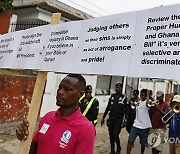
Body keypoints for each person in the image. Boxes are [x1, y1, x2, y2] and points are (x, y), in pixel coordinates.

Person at [16, 74, 95, 154]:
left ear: (80, 94)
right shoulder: (48, 117)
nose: (60, 92)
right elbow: (33, 148)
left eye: (67, 89)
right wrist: (25, 137)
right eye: (60, 88)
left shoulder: (86, 129)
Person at [101, 82, 128, 154]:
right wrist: (103, 117)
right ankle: (112, 150)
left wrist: (125, 120)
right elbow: (108, 107)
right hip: (111, 119)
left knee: (115, 135)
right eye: (116, 87)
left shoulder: (124, 98)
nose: (117, 89)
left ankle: (118, 148)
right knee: (111, 135)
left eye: (118, 87)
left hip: (118, 120)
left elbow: (127, 110)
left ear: (121, 88)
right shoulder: (112, 97)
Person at [126, 89, 152, 154]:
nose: (141, 96)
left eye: (143, 95)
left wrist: (148, 95)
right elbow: (133, 108)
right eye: (141, 94)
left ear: (146, 96)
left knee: (142, 144)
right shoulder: (138, 102)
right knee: (130, 141)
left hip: (144, 127)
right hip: (136, 125)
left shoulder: (148, 102)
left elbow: (148, 104)